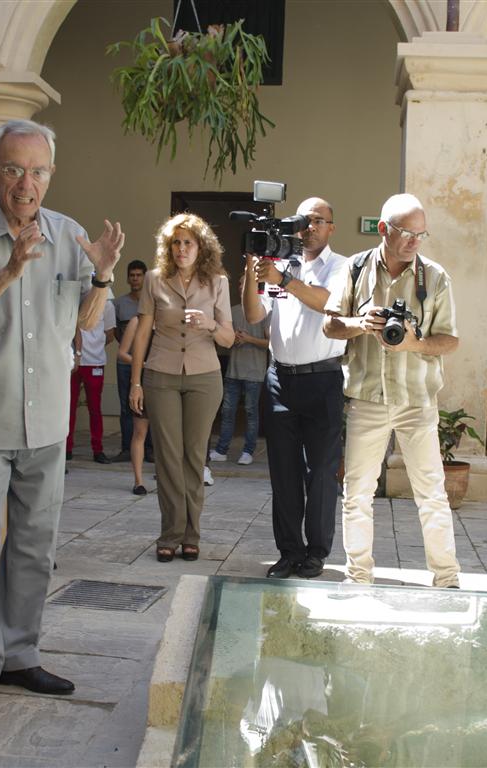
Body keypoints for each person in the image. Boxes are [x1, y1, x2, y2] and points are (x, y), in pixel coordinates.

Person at [0, 119, 124, 716]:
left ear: (51, 175)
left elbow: (89, 323)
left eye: (36, 171)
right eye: (12, 169)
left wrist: (106, 275)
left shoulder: (69, 235)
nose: (24, 183)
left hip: (46, 419)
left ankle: (21, 655)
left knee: (35, 546)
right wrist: (9, 271)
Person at [323, 193, 461, 588]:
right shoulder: (356, 268)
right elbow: (330, 326)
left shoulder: (434, 277)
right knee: (356, 494)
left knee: (431, 495)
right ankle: (358, 577)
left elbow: (449, 340)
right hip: (367, 399)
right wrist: (359, 322)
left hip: (417, 401)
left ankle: (447, 579)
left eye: (421, 234)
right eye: (407, 233)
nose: (415, 241)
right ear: (384, 229)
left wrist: (413, 343)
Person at [242, 197, 347, 580]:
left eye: (319, 220)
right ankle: (289, 552)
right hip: (279, 380)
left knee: (320, 472)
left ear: (331, 227)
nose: (309, 227)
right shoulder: (281, 263)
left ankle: (317, 552)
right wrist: (251, 276)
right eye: (304, 220)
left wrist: (283, 280)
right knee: (283, 474)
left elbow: (330, 304)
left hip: (322, 379)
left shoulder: (341, 267)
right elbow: (255, 316)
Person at [129, 213, 234, 563]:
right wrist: (136, 382)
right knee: (168, 459)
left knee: (194, 457)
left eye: (188, 242)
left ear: (200, 246)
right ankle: (170, 534)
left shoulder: (217, 281)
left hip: (204, 376)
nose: (181, 248)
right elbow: (143, 333)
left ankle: (192, 534)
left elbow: (229, 338)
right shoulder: (155, 280)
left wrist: (209, 324)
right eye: (176, 242)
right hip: (161, 374)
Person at [209, 274, 269, 465]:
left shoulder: (264, 312)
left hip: (255, 373)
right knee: (227, 412)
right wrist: (232, 338)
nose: (241, 287)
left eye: (246, 283)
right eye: (240, 283)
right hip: (232, 371)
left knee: (251, 413)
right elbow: (222, 340)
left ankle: (248, 451)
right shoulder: (231, 311)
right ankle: (221, 450)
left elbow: (272, 343)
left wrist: (249, 339)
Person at [67, 294, 115, 463]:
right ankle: (67, 448)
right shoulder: (74, 298)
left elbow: (110, 334)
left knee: (95, 408)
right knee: (69, 407)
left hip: (95, 361)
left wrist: (94, 347)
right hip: (72, 361)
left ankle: (98, 449)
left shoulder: (107, 303)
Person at [112, 259, 148, 462]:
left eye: (139, 275)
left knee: (149, 407)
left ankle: (149, 449)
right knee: (127, 405)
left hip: (148, 364)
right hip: (126, 363)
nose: (135, 279)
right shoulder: (118, 303)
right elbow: (117, 332)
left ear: (145, 277)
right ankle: (127, 448)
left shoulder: (152, 302)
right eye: (132, 275)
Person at [117, 315, 151, 494]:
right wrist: (143, 364)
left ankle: (167, 477)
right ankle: (138, 481)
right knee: (139, 432)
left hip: (166, 381)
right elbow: (122, 353)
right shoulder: (136, 321)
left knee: (167, 436)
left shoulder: (171, 316)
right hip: (143, 380)